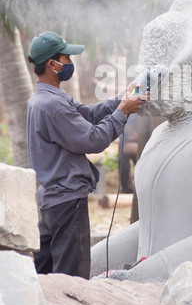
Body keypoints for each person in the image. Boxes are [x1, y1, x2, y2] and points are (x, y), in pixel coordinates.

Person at [90, 0, 192, 283]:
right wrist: (92, 261)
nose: (142, 85)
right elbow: (152, 226)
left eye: (156, 73)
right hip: (152, 285)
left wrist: (135, 277)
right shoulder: (162, 133)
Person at [27, 31, 147, 279]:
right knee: (72, 280)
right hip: (68, 202)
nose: (70, 63)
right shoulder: (54, 105)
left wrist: (119, 100)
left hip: (51, 201)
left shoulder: (43, 99)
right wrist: (123, 113)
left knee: (47, 278)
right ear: (52, 64)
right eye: (67, 58)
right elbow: (92, 139)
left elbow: (89, 115)